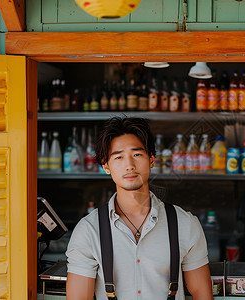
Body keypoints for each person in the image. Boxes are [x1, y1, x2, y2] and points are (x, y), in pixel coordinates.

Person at [66, 117, 213, 300]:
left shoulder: (185, 224)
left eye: (137, 154)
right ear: (106, 166)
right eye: (118, 157)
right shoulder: (89, 230)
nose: (130, 165)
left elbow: (202, 294)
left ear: (152, 159)